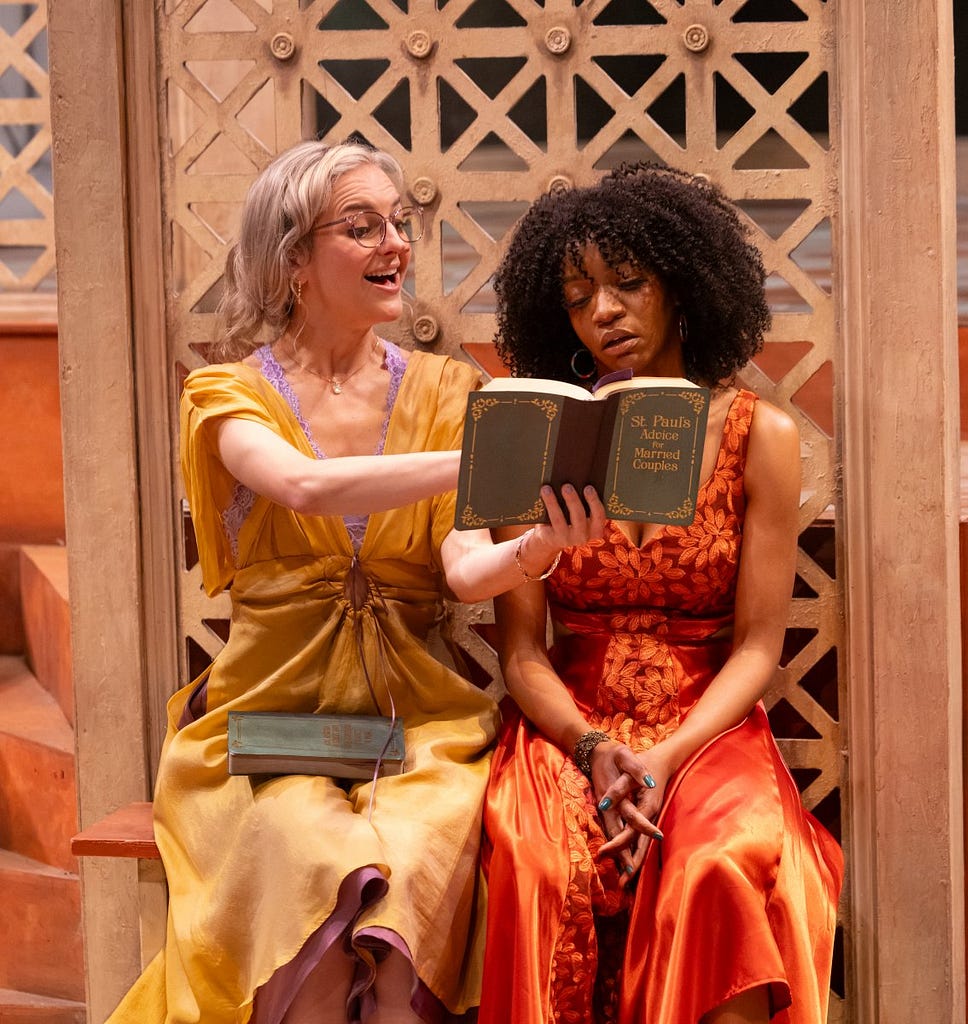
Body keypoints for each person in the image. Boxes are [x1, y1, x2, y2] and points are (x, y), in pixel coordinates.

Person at [105, 139, 603, 1024]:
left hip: (420, 730)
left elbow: (462, 567)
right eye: (362, 227)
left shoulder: (450, 391)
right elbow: (301, 485)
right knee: (316, 875)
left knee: (409, 876)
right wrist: (482, 457)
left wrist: (538, 550)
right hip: (263, 730)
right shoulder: (225, 395)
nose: (395, 245)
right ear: (294, 259)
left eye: (400, 224)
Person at [479, 163, 844, 1024]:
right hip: (570, 722)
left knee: (720, 864)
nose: (602, 312)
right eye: (577, 298)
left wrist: (667, 758)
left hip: (706, 724)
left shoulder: (763, 435)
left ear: (682, 286)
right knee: (537, 865)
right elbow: (523, 652)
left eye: (627, 284)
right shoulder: (538, 434)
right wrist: (591, 746)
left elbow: (758, 645)